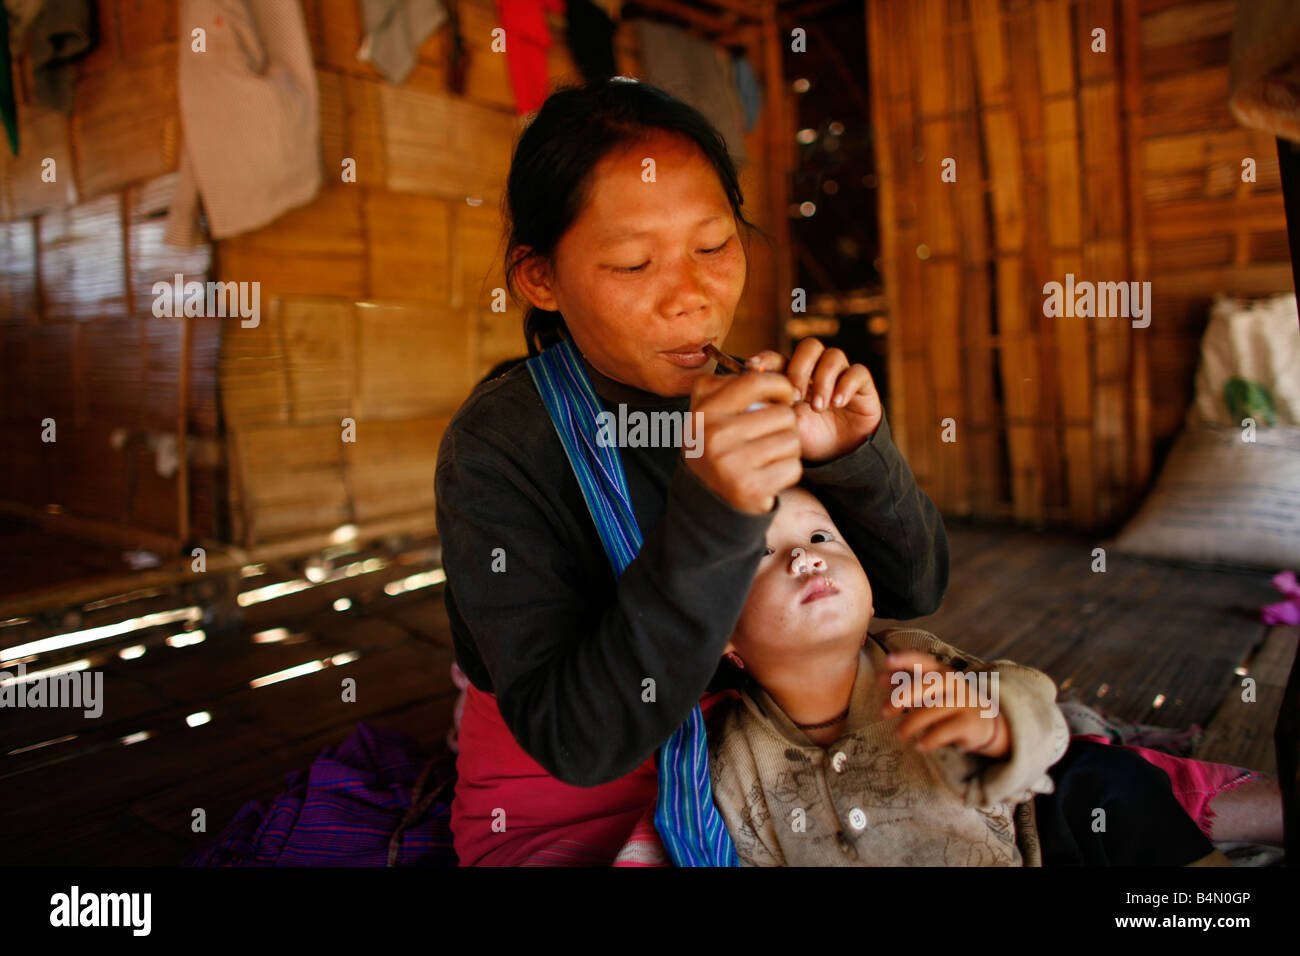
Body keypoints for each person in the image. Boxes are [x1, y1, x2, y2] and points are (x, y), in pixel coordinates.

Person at [434, 78, 949, 866]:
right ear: (541, 278)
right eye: (634, 264)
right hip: (578, 795)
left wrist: (851, 455)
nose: (693, 298)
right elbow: (578, 742)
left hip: (768, 752)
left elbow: (916, 588)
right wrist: (712, 513)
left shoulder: (754, 394)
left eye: (714, 246)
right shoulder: (500, 448)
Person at [706, 485, 1229, 866]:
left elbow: (1032, 705)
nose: (805, 557)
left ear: (869, 596)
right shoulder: (729, 758)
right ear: (723, 639)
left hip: (1032, 853)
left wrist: (995, 723)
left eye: (821, 536)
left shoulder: (917, 666)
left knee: (1106, 778)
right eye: (761, 553)